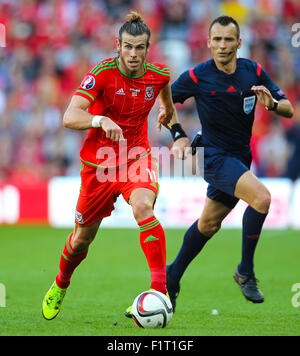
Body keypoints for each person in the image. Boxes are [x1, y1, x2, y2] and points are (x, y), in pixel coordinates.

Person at [42, 12, 174, 320]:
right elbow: (69, 116)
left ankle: (160, 292)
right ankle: (61, 283)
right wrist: (99, 119)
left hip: (136, 156)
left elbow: (166, 97)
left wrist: (171, 118)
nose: (132, 53)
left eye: (139, 47)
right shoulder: (101, 73)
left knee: (143, 206)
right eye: (127, 46)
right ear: (118, 44)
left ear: (148, 47)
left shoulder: (159, 75)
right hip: (98, 164)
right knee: (81, 239)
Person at [166, 16, 294, 311]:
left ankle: (172, 275)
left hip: (239, 158)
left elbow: (288, 108)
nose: (222, 45)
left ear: (239, 42)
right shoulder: (197, 76)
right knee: (262, 199)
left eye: (228, 40)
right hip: (213, 157)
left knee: (208, 224)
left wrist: (272, 104)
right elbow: (167, 100)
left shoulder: (254, 72)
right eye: (217, 39)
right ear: (208, 42)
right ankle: (245, 271)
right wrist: (179, 136)